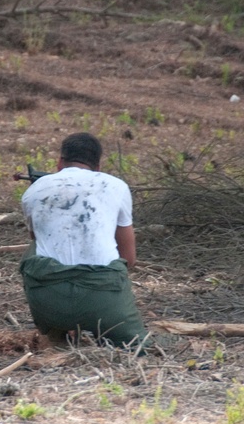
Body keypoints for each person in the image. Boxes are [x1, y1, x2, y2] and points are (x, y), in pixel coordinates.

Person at [19, 132, 150, 348]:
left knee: (35, 249)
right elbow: (129, 258)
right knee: (139, 347)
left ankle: (54, 334)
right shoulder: (116, 186)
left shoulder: (33, 191)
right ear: (98, 167)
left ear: (59, 162)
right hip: (107, 305)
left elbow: (38, 240)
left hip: (49, 305)